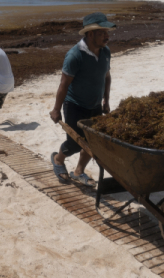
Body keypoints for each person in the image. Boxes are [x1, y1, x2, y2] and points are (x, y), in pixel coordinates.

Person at [49, 13, 115, 186]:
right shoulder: (74, 56)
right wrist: (56, 109)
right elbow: (64, 84)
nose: (107, 36)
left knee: (92, 142)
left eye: (107, 32)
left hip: (95, 104)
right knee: (75, 143)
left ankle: (78, 171)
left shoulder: (106, 51)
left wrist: (106, 101)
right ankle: (58, 159)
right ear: (90, 34)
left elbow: (106, 77)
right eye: (102, 32)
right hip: (75, 105)